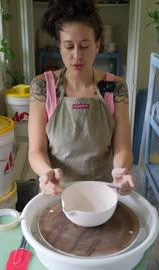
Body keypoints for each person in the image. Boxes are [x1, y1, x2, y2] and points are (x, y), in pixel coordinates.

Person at [28, 0, 135, 196]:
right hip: (58, 190)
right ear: (59, 46)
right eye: (68, 46)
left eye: (85, 46)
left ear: (97, 45)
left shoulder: (114, 87)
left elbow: (123, 147)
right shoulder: (43, 86)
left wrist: (120, 171)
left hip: (103, 190)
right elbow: (36, 149)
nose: (77, 55)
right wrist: (45, 172)